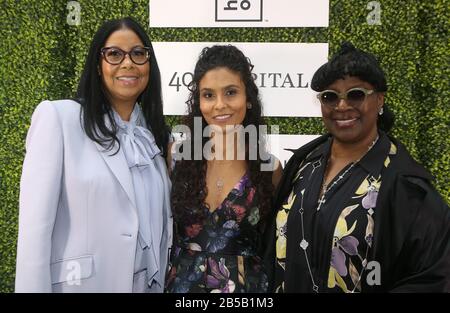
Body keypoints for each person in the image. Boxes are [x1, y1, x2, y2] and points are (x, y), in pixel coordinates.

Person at [264, 42, 450, 293]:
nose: (342, 106)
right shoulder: (305, 163)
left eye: (356, 94)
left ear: (380, 99)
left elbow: (435, 275)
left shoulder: (404, 184)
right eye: (330, 96)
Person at [15, 17, 172, 292]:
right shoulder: (60, 118)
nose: (128, 63)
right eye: (114, 54)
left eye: (138, 53)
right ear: (98, 66)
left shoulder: (156, 138)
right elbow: (34, 233)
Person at [165, 45, 282, 293]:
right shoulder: (176, 158)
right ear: (198, 102)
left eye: (230, 92)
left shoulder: (269, 169)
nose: (219, 105)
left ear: (248, 98)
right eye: (208, 95)